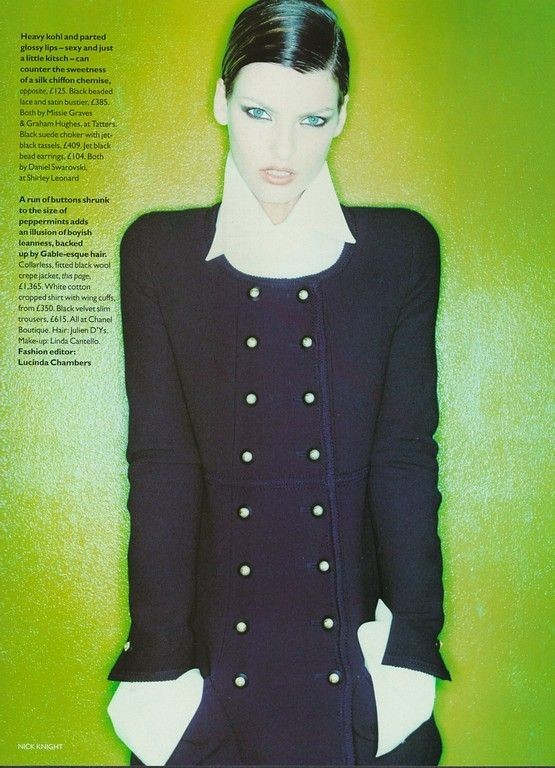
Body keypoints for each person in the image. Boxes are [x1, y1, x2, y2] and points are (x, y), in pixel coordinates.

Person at [106, 0, 451, 765]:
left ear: (341, 116)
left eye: (312, 118)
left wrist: (410, 651)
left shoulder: (399, 251)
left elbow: (403, 459)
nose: (282, 148)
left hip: (358, 664)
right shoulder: (158, 253)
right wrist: (158, 667)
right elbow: (161, 466)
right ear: (220, 101)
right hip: (209, 669)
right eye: (259, 111)